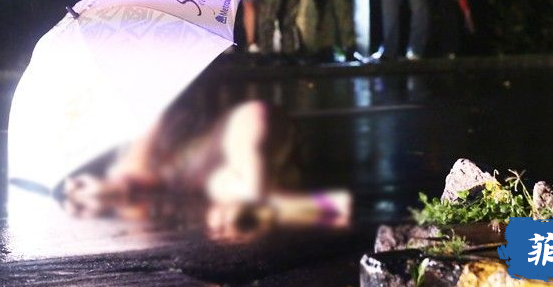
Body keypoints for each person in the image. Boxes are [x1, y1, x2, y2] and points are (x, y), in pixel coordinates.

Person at [62, 100, 350, 236]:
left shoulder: (156, 129)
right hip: (234, 170)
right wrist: (109, 189)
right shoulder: (205, 177)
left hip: (239, 136)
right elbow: (134, 176)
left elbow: (134, 170)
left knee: (233, 183)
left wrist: (112, 185)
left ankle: (273, 199)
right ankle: (297, 203)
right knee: (228, 188)